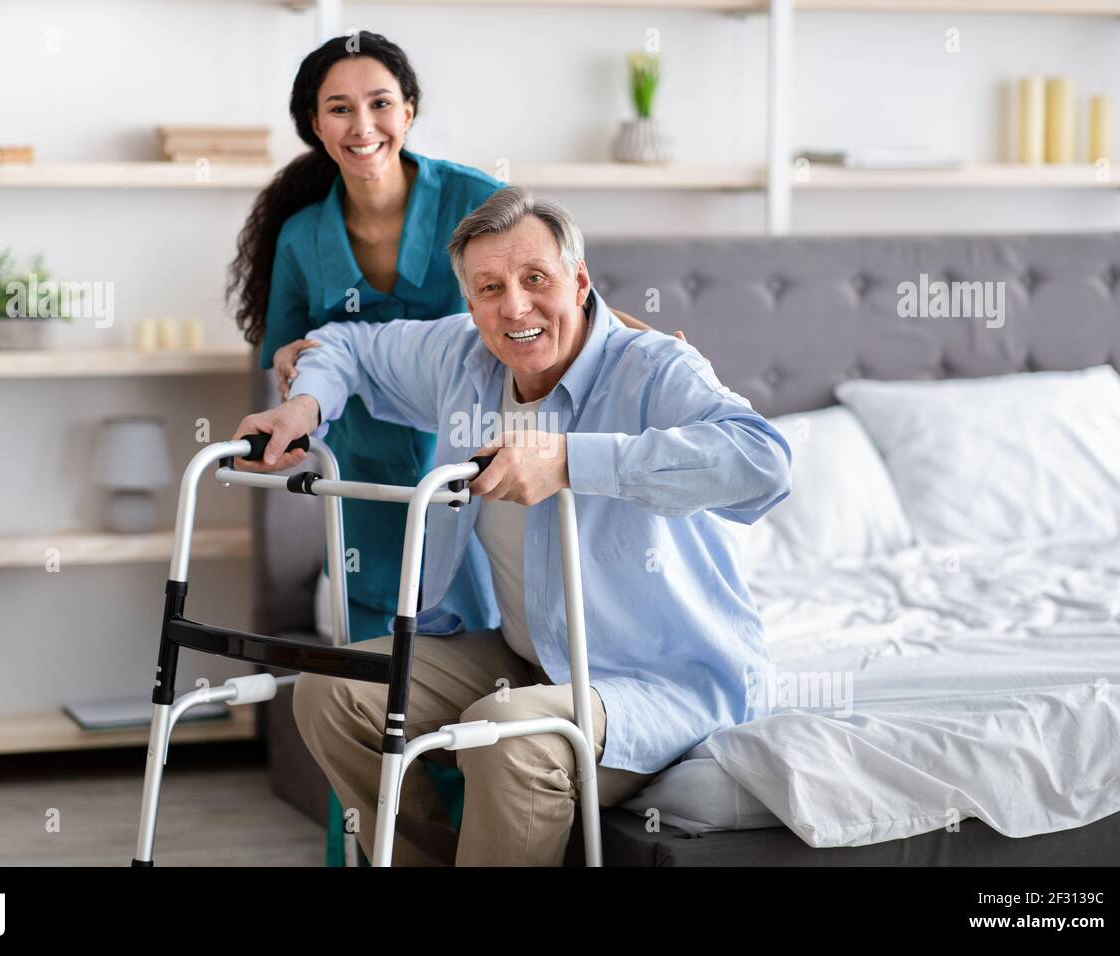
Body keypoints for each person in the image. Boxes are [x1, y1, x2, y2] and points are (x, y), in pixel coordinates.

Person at [226, 32, 688, 865]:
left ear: (410, 111)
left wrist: (631, 354)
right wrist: (301, 389)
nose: (363, 124)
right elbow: (307, 347)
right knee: (367, 680)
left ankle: (491, 829)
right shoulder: (304, 234)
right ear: (314, 125)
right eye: (339, 107)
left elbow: (552, 288)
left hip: (477, 464)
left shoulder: (476, 201)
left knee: (491, 661)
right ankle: (388, 855)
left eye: (380, 103)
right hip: (366, 464)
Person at [230, 186, 792, 866]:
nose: (515, 307)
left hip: (659, 679)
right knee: (332, 693)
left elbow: (762, 461)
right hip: (522, 655)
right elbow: (351, 346)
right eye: (490, 288)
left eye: (535, 280)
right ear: (469, 302)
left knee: (505, 733)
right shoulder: (463, 356)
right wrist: (306, 406)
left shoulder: (653, 369)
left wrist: (569, 460)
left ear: (579, 281)